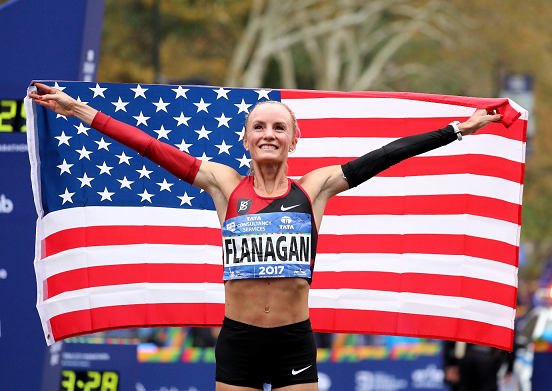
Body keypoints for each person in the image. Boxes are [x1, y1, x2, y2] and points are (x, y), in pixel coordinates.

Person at [29, 82, 502, 391]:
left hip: (294, 342)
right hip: (239, 343)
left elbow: (386, 155)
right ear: (246, 140)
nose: (269, 133)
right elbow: (152, 148)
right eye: (259, 127)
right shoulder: (224, 185)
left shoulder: (315, 188)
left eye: (279, 127)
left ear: (294, 140)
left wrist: (457, 130)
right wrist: (80, 111)